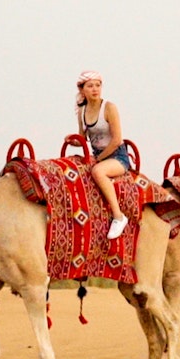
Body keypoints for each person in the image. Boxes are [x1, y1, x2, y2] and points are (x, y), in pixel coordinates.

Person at [75, 70, 133, 240]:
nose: (95, 89)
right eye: (90, 86)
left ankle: (118, 216)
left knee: (97, 172)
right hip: (97, 155)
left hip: (117, 156)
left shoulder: (109, 108)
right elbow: (83, 138)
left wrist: (98, 160)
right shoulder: (82, 111)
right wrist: (73, 141)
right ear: (82, 89)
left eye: (98, 85)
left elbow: (116, 140)